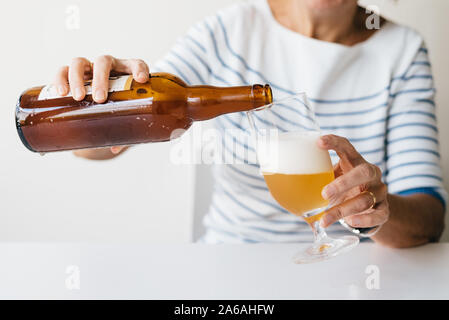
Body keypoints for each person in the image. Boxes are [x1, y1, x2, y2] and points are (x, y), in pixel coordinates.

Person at [53, 0, 446, 247]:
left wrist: (380, 210)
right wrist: (96, 103)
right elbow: (103, 145)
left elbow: (429, 220)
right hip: (234, 264)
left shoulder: (402, 51)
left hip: (354, 276)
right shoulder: (226, 32)